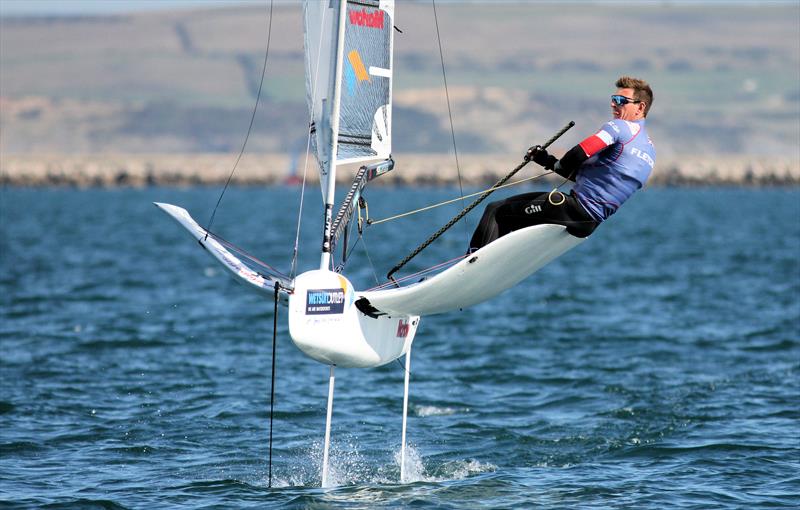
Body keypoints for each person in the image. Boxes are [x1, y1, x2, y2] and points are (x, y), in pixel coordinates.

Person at [469, 76, 656, 251]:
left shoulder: (620, 127)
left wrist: (559, 165)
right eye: (614, 98)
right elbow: (591, 179)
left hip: (572, 210)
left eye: (622, 100)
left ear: (640, 107)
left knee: (496, 210)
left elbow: (579, 153)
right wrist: (547, 160)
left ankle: (470, 265)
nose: (613, 104)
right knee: (510, 219)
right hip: (588, 223)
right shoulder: (649, 151)